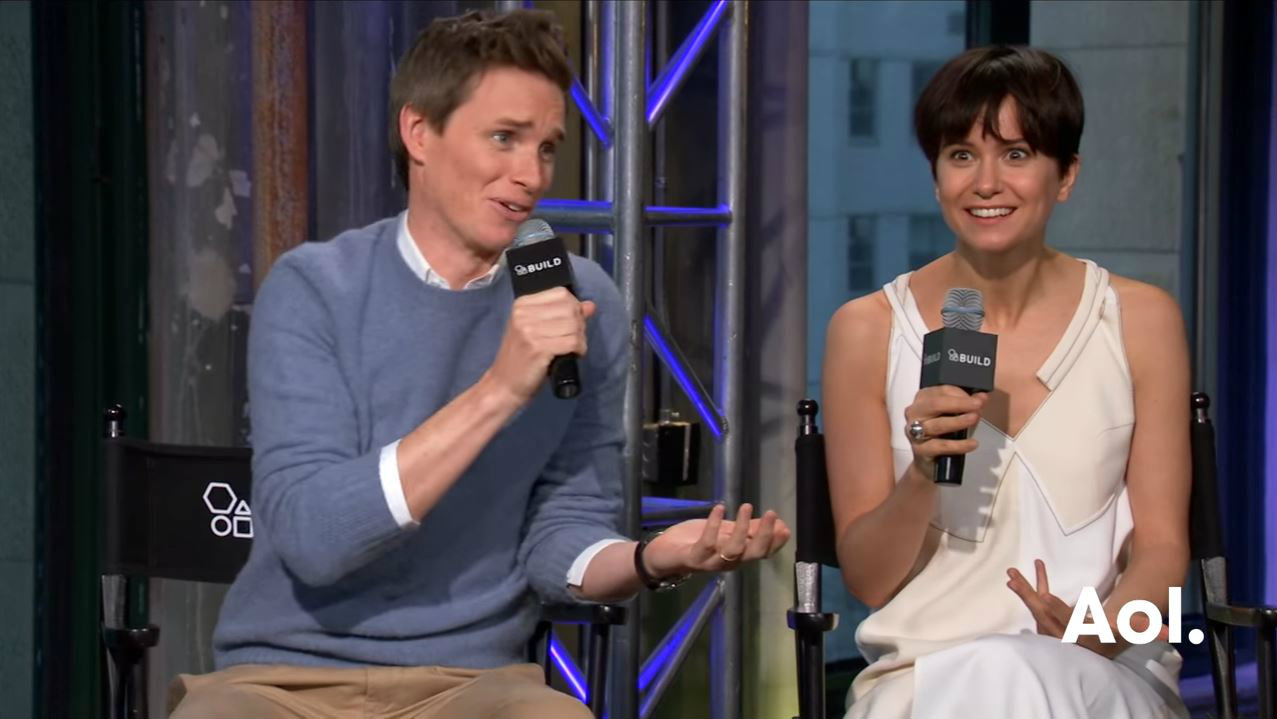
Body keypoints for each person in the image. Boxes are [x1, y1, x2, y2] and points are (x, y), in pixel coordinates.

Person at [168, 9, 788, 719]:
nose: (530, 175)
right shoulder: (314, 288)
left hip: (472, 679)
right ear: (418, 132)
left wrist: (651, 559)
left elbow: (562, 532)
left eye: (546, 147)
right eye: (504, 138)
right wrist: (499, 389)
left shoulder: (579, 299)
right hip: (285, 677)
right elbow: (315, 540)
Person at [822, 45, 1190, 719]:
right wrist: (922, 473)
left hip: (1102, 671)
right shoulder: (865, 330)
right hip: (921, 678)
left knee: (1014, 673)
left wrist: (1099, 632)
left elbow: (1163, 548)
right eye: (961, 155)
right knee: (996, 675)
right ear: (936, 177)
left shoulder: (1139, 319)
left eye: (1016, 154)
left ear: (1066, 175)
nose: (985, 182)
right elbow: (870, 580)